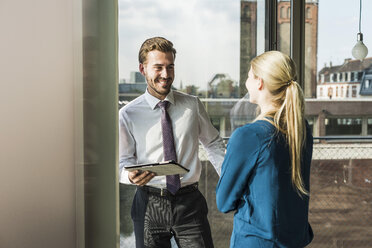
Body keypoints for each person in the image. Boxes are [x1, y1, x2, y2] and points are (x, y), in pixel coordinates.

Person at [119, 37, 225, 248]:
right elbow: (122, 162)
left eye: (170, 67)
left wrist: (231, 180)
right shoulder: (128, 114)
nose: (166, 75)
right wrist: (130, 176)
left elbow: (213, 144)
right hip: (149, 203)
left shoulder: (192, 105)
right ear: (143, 69)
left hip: (190, 202)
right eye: (158, 67)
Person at [216, 51, 314, 248]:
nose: (246, 82)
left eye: (249, 76)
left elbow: (224, 202)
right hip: (293, 240)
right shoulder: (301, 128)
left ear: (259, 82)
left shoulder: (249, 136)